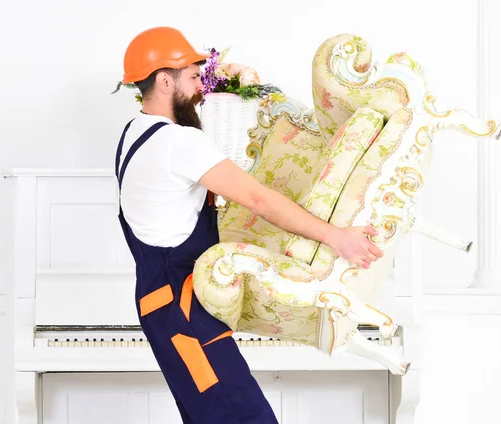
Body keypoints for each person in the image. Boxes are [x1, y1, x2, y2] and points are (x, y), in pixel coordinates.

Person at [115, 26, 384, 424]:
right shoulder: (179, 143)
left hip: (159, 306)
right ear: (164, 80)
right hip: (186, 311)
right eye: (192, 77)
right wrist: (335, 236)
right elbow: (259, 199)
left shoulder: (132, 136)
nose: (200, 89)